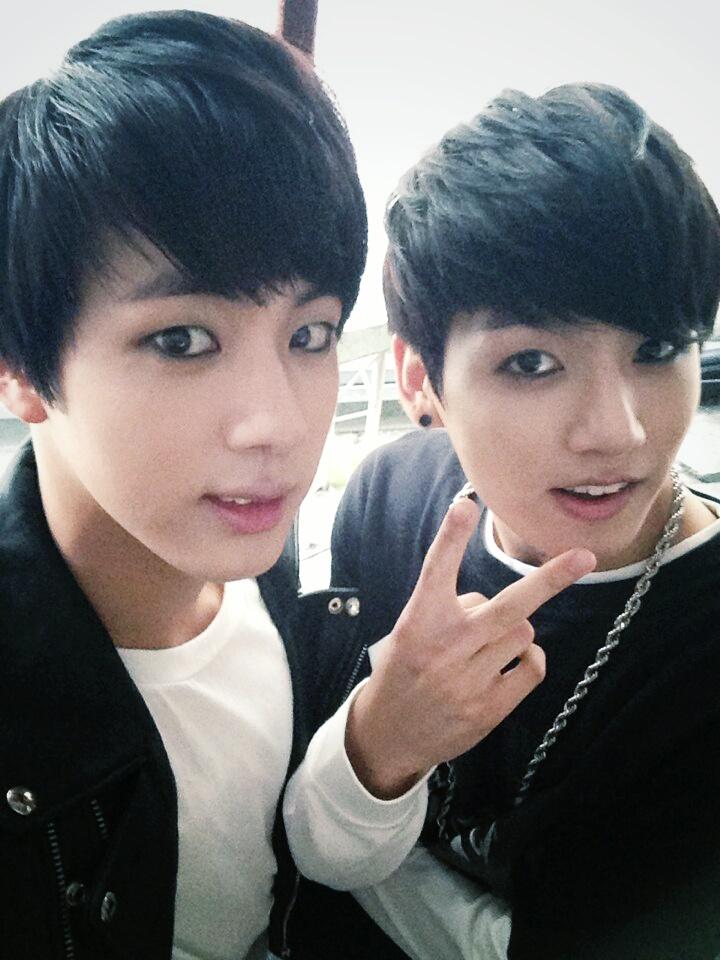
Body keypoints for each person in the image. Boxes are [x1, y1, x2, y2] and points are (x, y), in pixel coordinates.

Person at [0, 12, 592, 960]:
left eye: (310, 335)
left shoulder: (272, 577)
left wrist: (381, 748)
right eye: (182, 340)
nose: (276, 423)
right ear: (20, 369)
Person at [329, 83, 720, 959]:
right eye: (533, 362)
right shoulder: (389, 501)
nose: (617, 432)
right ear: (421, 379)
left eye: (658, 348)